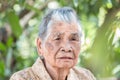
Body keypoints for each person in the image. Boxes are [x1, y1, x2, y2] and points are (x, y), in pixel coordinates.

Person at [10, 7, 96, 80]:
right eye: (57, 38)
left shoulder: (85, 77)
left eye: (73, 39)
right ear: (40, 46)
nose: (66, 48)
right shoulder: (21, 78)